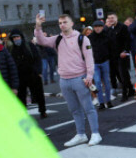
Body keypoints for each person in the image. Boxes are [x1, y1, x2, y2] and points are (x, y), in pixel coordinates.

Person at [35, 14, 102, 147]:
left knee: (88, 107)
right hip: (64, 80)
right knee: (74, 109)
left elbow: (89, 58)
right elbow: (41, 41)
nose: (62, 25)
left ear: (72, 23)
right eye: (60, 23)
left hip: (80, 78)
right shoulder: (58, 39)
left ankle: (95, 133)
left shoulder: (82, 39)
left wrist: (89, 76)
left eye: (65, 22)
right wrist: (38, 25)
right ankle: (81, 134)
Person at [8, 29, 46, 119]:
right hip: (19, 76)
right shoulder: (10, 49)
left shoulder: (29, 46)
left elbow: (37, 58)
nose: (16, 39)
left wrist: (39, 72)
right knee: (21, 96)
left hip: (33, 74)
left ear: (21, 37)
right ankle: (23, 113)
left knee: (39, 94)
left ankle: (42, 111)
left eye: (18, 37)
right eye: (14, 38)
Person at [106, 12, 135, 101]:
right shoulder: (109, 29)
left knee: (123, 74)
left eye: (112, 17)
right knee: (121, 75)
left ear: (116, 18)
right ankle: (131, 89)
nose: (111, 19)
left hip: (122, 55)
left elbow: (127, 40)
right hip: (113, 56)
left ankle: (124, 93)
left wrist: (125, 51)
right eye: (109, 18)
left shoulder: (123, 27)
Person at [88, 20, 113, 109]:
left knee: (106, 82)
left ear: (102, 27)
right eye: (96, 27)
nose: (97, 28)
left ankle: (108, 100)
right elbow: (87, 50)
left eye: (99, 26)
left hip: (105, 61)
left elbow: (111, 48)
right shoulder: (90, 38)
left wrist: (110, 58)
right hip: (95, 62)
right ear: (93, 28)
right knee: (97, 82)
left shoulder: (107, 36)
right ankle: (101, 102)